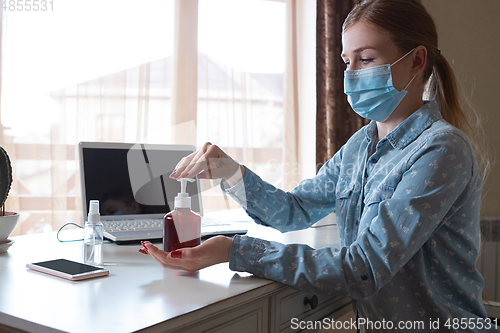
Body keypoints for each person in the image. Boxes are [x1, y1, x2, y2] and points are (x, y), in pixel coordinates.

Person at [141, 0, 494, 331]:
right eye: (346, 62)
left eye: (366, 59)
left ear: (416, 61)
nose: (351, 75)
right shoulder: (359, 146)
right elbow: (293, 211)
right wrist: (230, 171)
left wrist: (234, 250)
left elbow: (364, 268)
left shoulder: (442, 149)